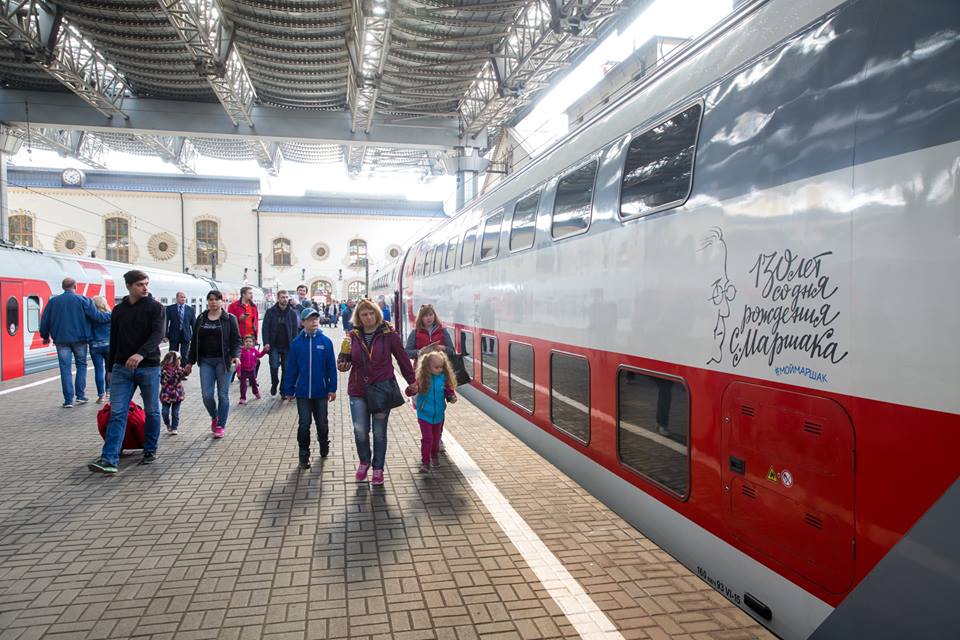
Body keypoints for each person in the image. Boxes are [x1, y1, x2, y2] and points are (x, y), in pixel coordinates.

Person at [87, 270, 164, 474]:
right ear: (129, 286)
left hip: (149, 366)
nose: (145, 288)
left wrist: (140, 354)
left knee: (152, 411)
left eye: (146, 283)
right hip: (122, 368)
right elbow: (114, 339)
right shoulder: (119, 310)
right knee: (117, 411)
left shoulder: (155, 307)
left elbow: (158, 334)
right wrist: (110, 368)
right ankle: (109, 459)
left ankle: (150, 450)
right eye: (140, 284)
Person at [337, 299, 416, 486]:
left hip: (382, 389)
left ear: (377, 314)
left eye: (372, 313)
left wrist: (412, 381)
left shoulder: (389, 334)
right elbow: (342, 361)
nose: (369, 317)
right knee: (360, 431)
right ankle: (364, 461)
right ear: (358, 317)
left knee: (379, 432)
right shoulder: (352, 336)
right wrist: (342, 365)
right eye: (364, 314)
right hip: (358, 389)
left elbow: (402, 358)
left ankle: (378, 468)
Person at [39, 276, 110, 408]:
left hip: (61, 340)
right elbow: (97, 317)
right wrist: (113, 315)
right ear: (75, 286)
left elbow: (45, 320)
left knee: (65, 368)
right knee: (81, 365)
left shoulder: (53, 302)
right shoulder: (83, 300)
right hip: (80, 340)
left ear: (63, 287)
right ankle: (80, 396)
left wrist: (45, 336)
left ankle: (68, 400)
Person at [284, 307, 337, 469]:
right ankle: (304, 454)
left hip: (321, 392)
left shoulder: (326, 342)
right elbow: (291, 368)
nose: (314, 322)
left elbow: (331, 368)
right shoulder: (296, 343)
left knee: (322, 423)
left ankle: (323, 442)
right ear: (303, 322)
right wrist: (289, 389)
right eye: (310, 319)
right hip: (302, 393)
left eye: (316, 319)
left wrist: (332, 388)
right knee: (304, 424)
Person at [186, 290, 241, 439]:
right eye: (210, 299)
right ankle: (214, 415)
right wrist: (189, 362)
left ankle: (221, 425)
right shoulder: (201, 318)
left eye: (217, 299)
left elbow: (236, 340)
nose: (213, 302)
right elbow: (194, 341)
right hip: (205, 361)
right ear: (207, 301)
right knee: (207, 395)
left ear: (222, 301)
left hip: (224, 361)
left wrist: (236, 356)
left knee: (223, 394)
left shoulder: (229, 319)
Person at [409, 350, 457, 473]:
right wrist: (412, 389)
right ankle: (425, 462)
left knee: (436, 438)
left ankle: (434, 455)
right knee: (427, 438)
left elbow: (448, 391)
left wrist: (451, 397)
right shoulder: (421, 379)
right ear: (427, 366)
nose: (440, 369)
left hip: (439, 415)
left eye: (441, 367)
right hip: (424, 414)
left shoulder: (443, 379)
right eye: (436, 367)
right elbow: (409, 391)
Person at [262, 290, 299, 398]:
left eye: (286, 297)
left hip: (287, 346)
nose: (285, 299)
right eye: (282, 297)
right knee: (274, 366)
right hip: (274, 345)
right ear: (278, 298)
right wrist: (266, 342)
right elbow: (265, 328)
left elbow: (295, 331)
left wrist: (295, 344)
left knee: (286, 369)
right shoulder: (270, 312)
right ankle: (275, 382)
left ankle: (283, 390)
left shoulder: (292, 313)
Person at [88, 296, 112, 403]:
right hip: (109, 345)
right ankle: (109, 392)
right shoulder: (110, 315)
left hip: (95, 346)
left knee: (98, 370)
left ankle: (101, 396)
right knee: (109, 369)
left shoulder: (91, 318)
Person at [160, 351, 189, 435]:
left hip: (177, 394)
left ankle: (174, 427)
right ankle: (167, 423)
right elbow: (156, 379)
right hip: (166, 394)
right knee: (164, 412)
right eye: (178, 359)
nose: (179, 361)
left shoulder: (179, 369)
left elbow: (185, 373)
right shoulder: (162, 370)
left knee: (175, 412)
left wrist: (188, 368)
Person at [164, 291, 195, 361]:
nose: (183, 299)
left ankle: (183, 368)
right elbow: (165, 322)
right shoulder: (170, 308)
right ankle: (172, 368)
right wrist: (165, 335)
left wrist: (195, 336)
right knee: (172, 356)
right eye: (181, 297)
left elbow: (194, 324)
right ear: (177, 298)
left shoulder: (190, 309)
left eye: (184, 297)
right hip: (173, 335)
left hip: (186, 336)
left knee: (185, 355)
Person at [238, 335, 266, 404]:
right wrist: (238, 372)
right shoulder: (241, 351)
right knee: (243, 385)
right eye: (246, 341)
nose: (248, 343)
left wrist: (264, 351)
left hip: (252, 370)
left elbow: (260, 355)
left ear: (253, 343)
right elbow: (238, 362)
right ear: (243, 343)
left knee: (254, 383)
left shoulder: (254, 350)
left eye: (250, 342)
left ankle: (256, 392)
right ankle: (242, 398)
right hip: (243, 371)